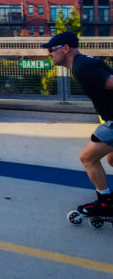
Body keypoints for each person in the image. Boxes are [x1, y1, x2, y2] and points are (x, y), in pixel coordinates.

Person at [41, 31, 113, 216]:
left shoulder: (83, 67)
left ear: (65, 48)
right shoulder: (84, 63)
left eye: (51, 49)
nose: (49, 53)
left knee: (87, 158)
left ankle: (105, 204)